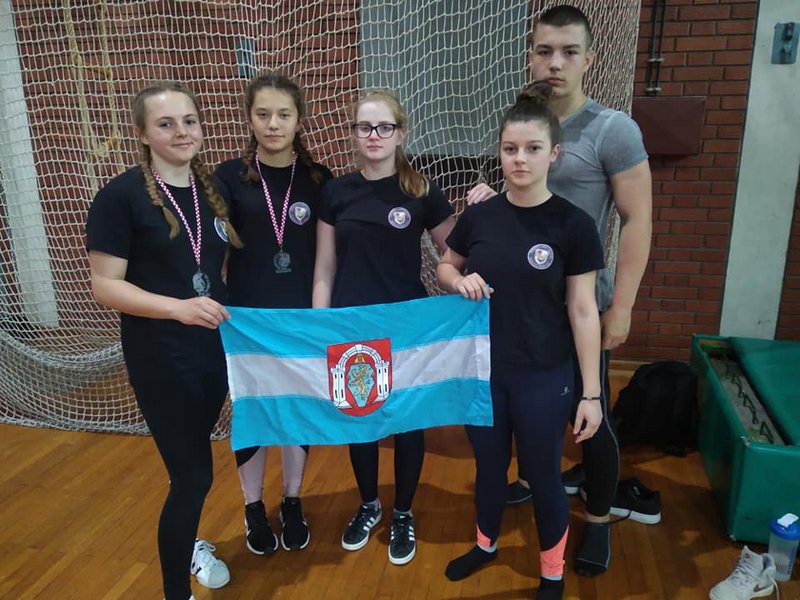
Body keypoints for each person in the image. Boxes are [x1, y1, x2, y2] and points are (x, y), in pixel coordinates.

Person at [468, 4, 653, 577]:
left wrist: (622, 305)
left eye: (569, 52)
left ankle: (598, 519)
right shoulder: (522, 121)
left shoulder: (612, 129)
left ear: (588, 59)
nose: (556, 62)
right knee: (530, 414)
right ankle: (530, 484)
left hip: (581, 303)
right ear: (530, 56)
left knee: (589, 414)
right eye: (545, 50)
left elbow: (638, 218)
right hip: (523, 307)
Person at [438, 81, 604, 600]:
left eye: (533, 148)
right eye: (510, 148)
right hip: (483, 373)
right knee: (489, 468)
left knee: (543, 475)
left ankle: (552, 574)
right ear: (500, 153)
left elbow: (583, 310)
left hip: (543, 376)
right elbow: (446, 265)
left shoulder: (574, 225)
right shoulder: (479, 217)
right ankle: (485, 545)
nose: (520, 159)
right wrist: (457, 280)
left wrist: (592, 393)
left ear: (554, 154)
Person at [85, 81, 243, 600]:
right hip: (161, 358)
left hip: (213, 353)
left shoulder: (212, 190)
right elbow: (105, 286)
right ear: (142, 133)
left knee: (193, 470)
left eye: (189, 121)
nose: (181, 132)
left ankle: (190, 543)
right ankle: (176, 591)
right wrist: (178, 308)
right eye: (166, 124)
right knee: (193, 477)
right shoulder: (120, 197)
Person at [312, 88, 455, 566]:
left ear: (400, 133)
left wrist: (490, 210)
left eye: (384, 127)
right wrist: (320, 324)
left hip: (407, 326)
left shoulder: (420, 191)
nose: (373, 135)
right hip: (350, 323)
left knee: (407, 421)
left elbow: (456, 251)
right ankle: (370, 503)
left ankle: (403, 512)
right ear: (353, 133)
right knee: (361, 417)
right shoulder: (336, 192)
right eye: (364, 127)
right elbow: (324, 267)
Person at [214, 72, 333, 556]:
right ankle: (252, 507)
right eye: (262, 114)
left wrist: (321, 318)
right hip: (247, 321)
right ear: (249, 119)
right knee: (254, 413)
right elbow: (209, 247)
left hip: (301, 320)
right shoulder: (228, 177)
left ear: (299, 120)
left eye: (283, 114)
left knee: (297, 410)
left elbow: (328, 254)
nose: (273, 124)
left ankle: (292, 500)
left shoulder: (318, 179)